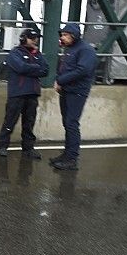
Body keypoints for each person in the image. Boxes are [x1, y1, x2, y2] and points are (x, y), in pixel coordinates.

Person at [51, 22, 98, 171]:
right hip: (67, 90)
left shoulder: (86, 50)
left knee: (72, 123)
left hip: (77, 91)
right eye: (62, 35)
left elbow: (82, 70)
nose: (63, 38)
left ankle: (72, 158)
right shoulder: (70, 49)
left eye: (66, 35)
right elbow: (64, 68)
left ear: (74, 36)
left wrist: (61, 80)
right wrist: (59, 80)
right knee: (67, 122)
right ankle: (66, 154)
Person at [0, 28, 49, 159]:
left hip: (32, 92)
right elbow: (20, 67)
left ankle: (28, 148)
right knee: (10, 120)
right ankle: (2, 146)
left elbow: (46, 70)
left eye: (36, 38)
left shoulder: (38, 54)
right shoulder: (15, 53)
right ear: (24, 39)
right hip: (17, 93)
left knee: (29, 122)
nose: (35, 41)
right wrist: (36, 68)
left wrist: (31, 68)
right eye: (32, 38)